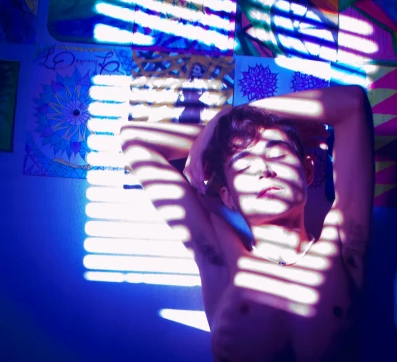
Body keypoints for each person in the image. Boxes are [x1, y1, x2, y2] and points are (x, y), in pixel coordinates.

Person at [119, 85, 374, 361]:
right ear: (228, 197)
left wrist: (225, 118)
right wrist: (215, 136)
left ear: (308, 170)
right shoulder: (221, 258)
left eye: (278, 155)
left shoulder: (341, 243)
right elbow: (133, 140)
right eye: (243, 166)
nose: (264, 170)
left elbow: (353, 103)